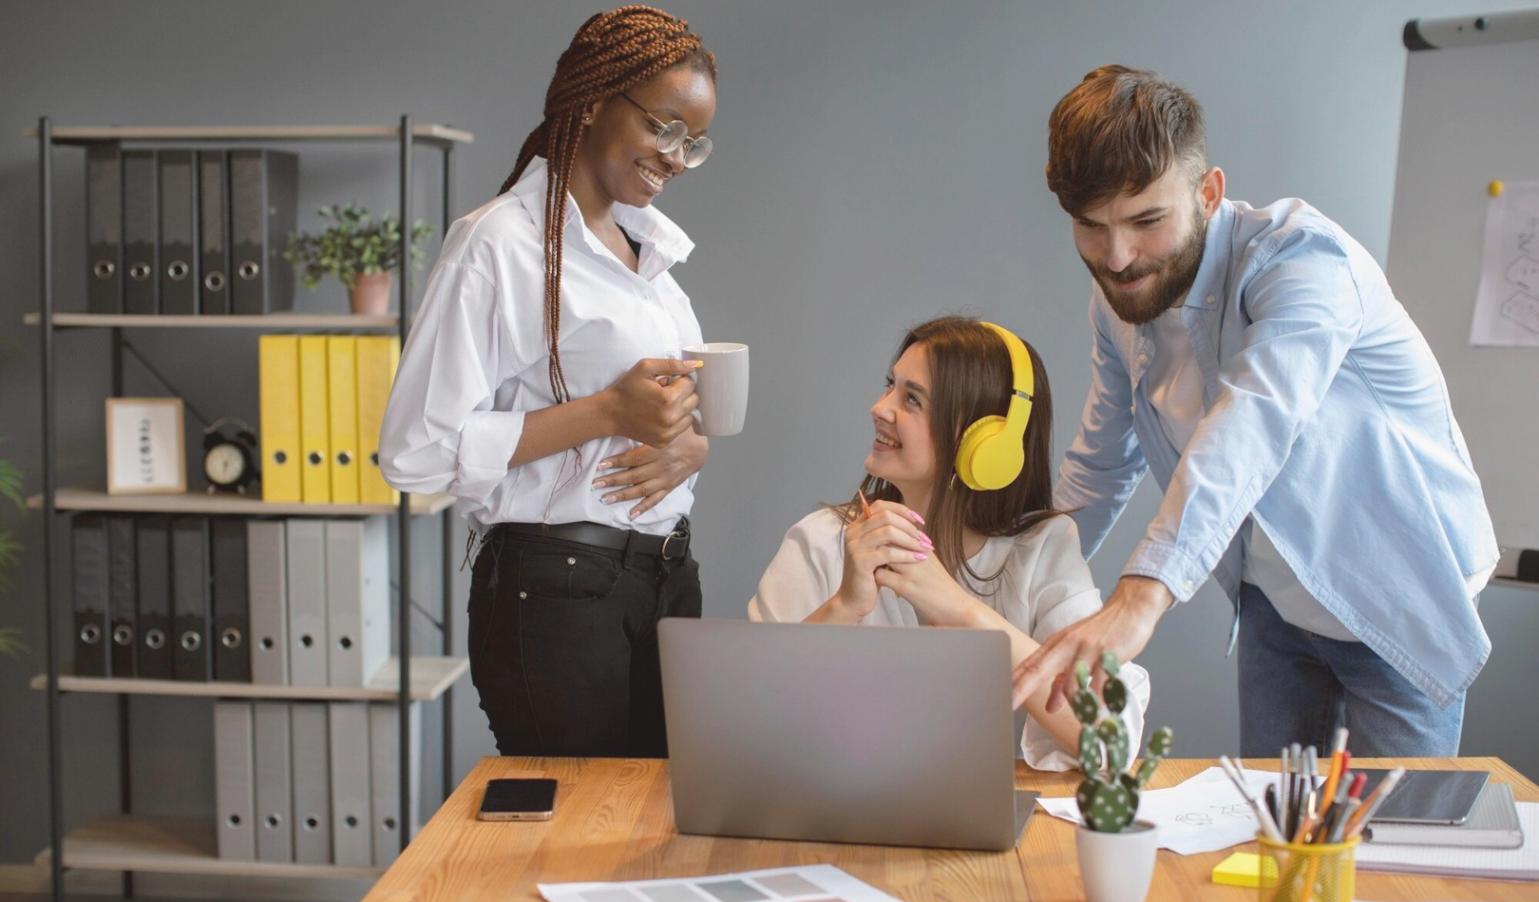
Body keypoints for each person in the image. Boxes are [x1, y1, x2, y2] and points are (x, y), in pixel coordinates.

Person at [1012, 66, 1498, 758]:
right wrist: (1011, 582)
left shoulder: (1304, 261)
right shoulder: (1117, 303)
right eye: (1091, 228)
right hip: (1274, 595)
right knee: (1272, 832)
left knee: (1395, 847)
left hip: (1399, 585)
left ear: (1207, 193)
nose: (1117, 258)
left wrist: (1139, 596)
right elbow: (1098, 464)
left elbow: (1252, 422)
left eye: (1146, 220)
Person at [378, 5, 719, 758]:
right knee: (576, 830)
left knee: (657, 828)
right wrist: (603, 412)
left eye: (692, 143)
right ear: (593, 100)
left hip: (663, 579)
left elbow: (666, 412)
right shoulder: (501, 243)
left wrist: (689, 447)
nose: (674, 156)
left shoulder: (649, 255)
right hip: (557, 586)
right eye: (663, 128)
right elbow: (413, 453)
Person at [750, 316, 1150, 769]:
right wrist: (843, 605)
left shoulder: (1045, 548)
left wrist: (960, 609)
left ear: (987, 444)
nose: (879, 408)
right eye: (890, 386)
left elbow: (1111, 740)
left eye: (912, 399)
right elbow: (744, 723)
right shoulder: (820, 541)